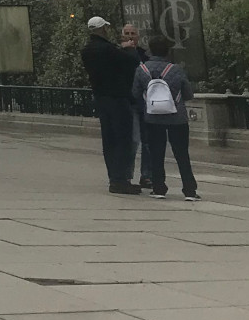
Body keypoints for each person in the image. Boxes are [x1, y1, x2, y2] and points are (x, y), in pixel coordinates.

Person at [132, 35, 199, 201]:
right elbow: (188, 94)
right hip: (177, 117)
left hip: (153, 117)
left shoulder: (142, 69)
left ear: (150, 50)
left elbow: (135, 93)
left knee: (156, 153)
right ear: (168, 51)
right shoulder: (176, 69)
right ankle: (189, 190)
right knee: (182, 154)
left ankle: (159, 187)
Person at [81, 16, 143, 194]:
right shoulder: (108, 49)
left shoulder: (87, 51)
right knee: (122, 139)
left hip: (101, 98)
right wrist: (129, 49)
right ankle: (120, 179)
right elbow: (132, 63)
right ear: (102, 29)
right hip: (118, 98)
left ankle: (113, 177)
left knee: (108, 140)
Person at [119, 23, 153, 188]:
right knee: (133, 140)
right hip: (128, 102)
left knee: (148, 141)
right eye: (127, 33)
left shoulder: (143, 55)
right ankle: (127, 175)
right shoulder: (118, 54)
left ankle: (147, 175)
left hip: (144, 103)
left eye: (133, 33)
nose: (130, 36)